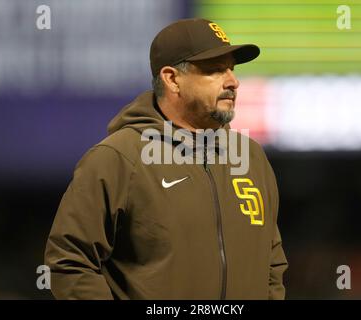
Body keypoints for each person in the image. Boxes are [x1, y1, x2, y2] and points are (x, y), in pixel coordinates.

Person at [44, 18, 288, 300]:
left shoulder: (250, 157)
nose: (233, 81)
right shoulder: (118, 158)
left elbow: (272, 261)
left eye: (231, 69)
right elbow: (69, 261)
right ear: (172, 79)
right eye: (215, 70)